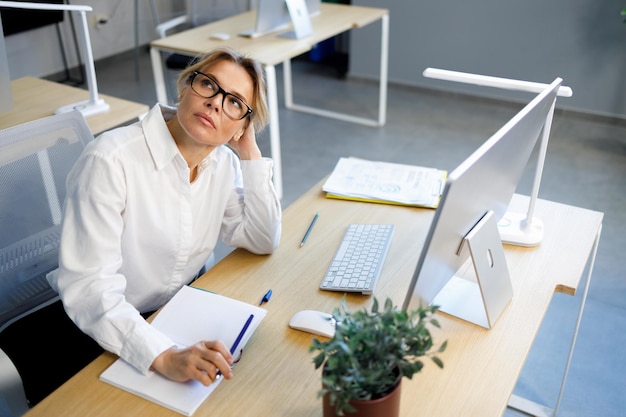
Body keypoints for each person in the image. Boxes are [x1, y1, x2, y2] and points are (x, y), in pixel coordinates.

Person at [48, 47, 282, 387]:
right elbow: (90, 288)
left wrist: (249, 154)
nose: (216, 102)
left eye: (234, 102)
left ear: (241, 128)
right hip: (102, 329)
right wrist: (163, 355)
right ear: (185, 88)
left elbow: (261, 239)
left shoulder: (223, 165)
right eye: (208, 85)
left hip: (171, 315)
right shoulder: (110, 160)